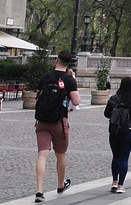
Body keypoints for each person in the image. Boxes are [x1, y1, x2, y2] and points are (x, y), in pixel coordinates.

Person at [33, 50, 81, 203]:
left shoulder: (46, 77)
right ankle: (60, 185)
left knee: (42, 155)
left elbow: (37, 94)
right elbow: (76, 101)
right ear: (68, 65)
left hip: (42, 121)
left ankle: (39, 191)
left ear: (56, 61)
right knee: (60, 154)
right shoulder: (69, 80)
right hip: (59, 122)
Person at [104, 76, 131, 192]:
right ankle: (121, 185)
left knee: (116, 156)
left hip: (114, 131)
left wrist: (115, 115)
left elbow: (106, 114)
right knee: (124, 158)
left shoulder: (113, 99)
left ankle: (114, 181)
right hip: (128, 131)